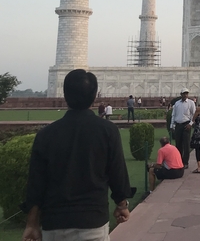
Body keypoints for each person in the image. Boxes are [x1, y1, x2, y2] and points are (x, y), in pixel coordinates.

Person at [22, 69, 131, 241]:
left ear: (65, 94)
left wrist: (31, 223)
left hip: (54, 224)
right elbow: (117, 173)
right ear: (94, 95)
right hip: (92, 222)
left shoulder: (46, 135)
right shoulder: (107, 131)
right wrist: (122, 204)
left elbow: (36, 183)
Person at [171, 88, 196, 168]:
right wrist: (172, 125)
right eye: (184, 93)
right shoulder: (177, 104)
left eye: (186, 93)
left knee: (186, 144)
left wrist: (191, 124)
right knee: (178, 145)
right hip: (178, 125)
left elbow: (194, 114)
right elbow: (173, 115)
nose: (185, 95)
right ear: (181, 94)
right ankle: (179, 161)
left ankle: (185, 162)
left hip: (186, 125)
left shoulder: (191, 103)